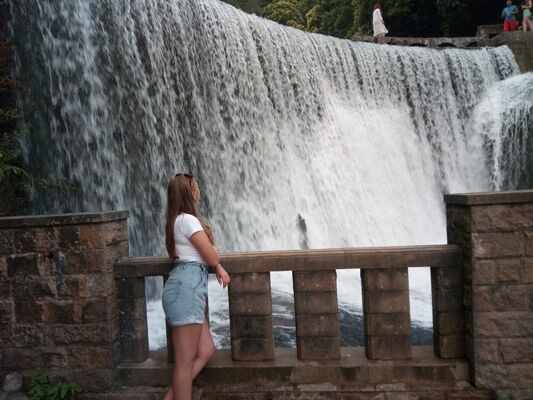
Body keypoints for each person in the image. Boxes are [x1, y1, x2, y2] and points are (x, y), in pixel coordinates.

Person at [162, 173, 230, 400]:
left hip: (185, 285)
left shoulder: (175, 221)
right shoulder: (189, 220)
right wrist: (215, 259)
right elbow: (211, 256)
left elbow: (201, 256)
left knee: (206, 349)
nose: (199, 190)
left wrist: (217, 265)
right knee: (184, 363)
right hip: (188, 288)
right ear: (190, 193)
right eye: (196, 187)